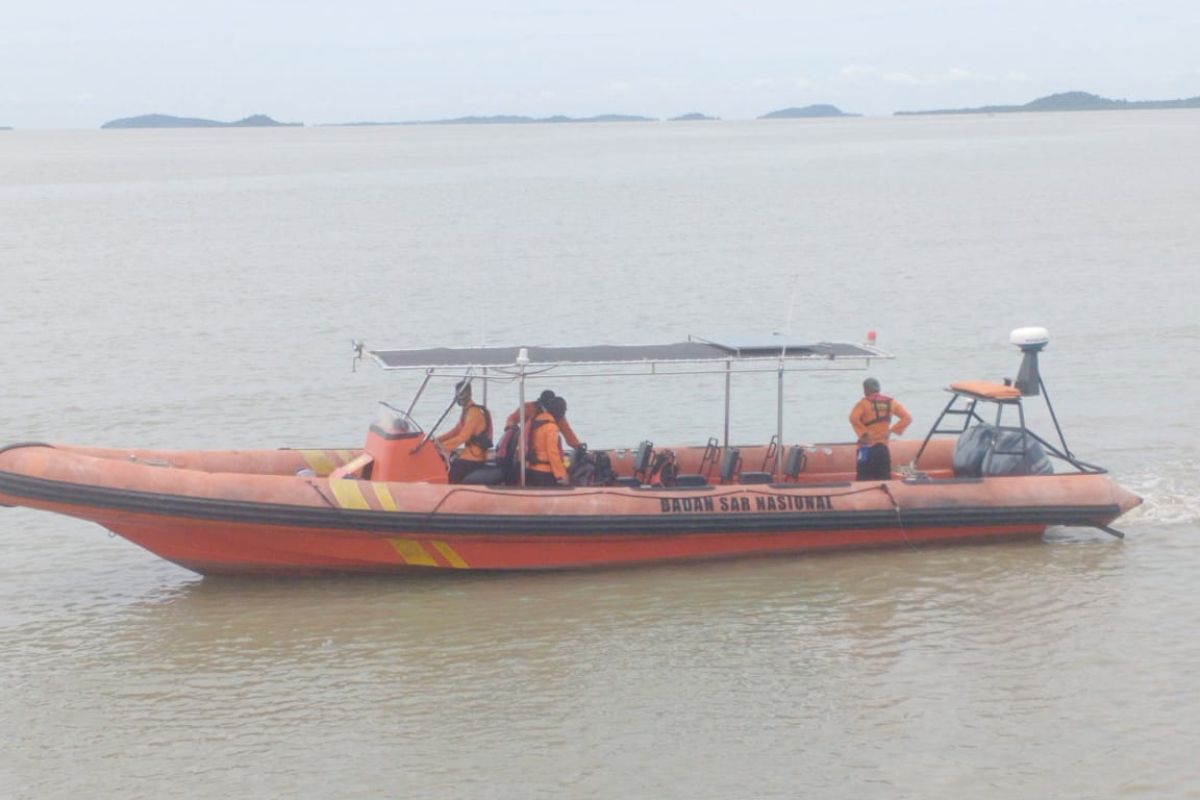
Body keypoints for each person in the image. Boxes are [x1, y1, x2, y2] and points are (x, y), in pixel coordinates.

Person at [849, 377, 912, 481]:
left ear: (866, 390)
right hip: (882, 448)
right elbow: (907, 418)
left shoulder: (863, 403)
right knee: (884, 477)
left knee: (863, 478)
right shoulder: (891, 402)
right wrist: (892, 430)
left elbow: (853, 418)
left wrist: (864, 433)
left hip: (865, 449)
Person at [437, 380, 493, 483]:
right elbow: (455, 431)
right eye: (458, 394)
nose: (459, 397)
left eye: (462, 394)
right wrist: (436, 440)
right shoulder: (466, 412)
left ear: (469, 394)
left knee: (452, 472)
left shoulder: (474, 413)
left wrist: (441, 447)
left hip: (475, 457)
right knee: (447, 462)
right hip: (468, 454)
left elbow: (463, 437)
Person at [505, 389, 582, 449]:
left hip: (548, 444)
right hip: (528, 445)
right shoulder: (527, 408)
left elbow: (567, 431)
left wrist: (577, 446)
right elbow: (511, 419)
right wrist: (512, 427)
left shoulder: (557, 412)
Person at [525, 395, 569, 486]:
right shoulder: (551, 427)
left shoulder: (537, 421)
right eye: (564, 411)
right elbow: (552, 452)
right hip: (545, 472)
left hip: (533, 468)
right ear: (559, 412)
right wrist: (561, 474)